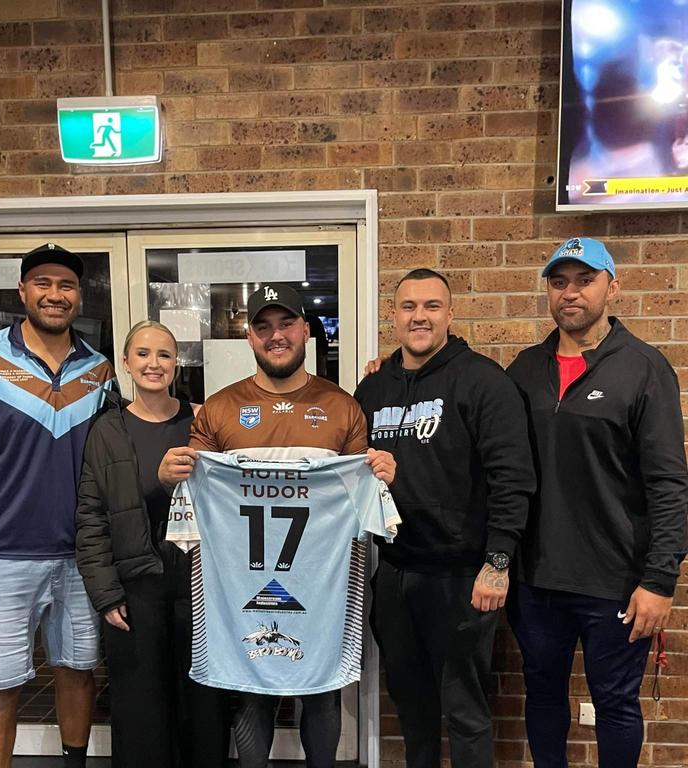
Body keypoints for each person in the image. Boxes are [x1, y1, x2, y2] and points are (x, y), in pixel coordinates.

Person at [158, 282, 396, 768]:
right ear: (249, 337)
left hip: (324, 580)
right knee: (251, 694)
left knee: (323, 691)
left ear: (306, 330)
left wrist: (380, 478)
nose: (276, 336)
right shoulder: (221, 408)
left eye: (286, 323)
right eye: (263, 327)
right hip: (243, 579)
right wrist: (169, 479)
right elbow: (197, 496)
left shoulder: (342, 406)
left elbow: (357, 497)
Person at [506, 237, 688, 768]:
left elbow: (669, 484)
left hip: (616, 581)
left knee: (614, 703)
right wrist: (396, 371)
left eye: (584, 280)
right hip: (536, 579)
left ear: (612, 286)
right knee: (541, 696)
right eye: (559, 282)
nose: (570, 293)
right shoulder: (524, 369)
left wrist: (659, 581)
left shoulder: (643, 368)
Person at [0, 243, 115, 768]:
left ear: (79, 296)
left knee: (78, 672)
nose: (55, 295)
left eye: (66, 286)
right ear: (23, 291)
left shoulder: (100, 371)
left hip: (82, 557)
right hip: (0, 556)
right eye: (43, 284)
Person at [355, 268, 535, 768]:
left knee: (466, 712)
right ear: (393, 316)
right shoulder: (371, 390)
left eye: (432, 306)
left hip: (462, 577)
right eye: (409, 306)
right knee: (411, 710)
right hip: (393, 573)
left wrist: (497, 561)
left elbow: (513, 479)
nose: (420, 316)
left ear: (450, 314)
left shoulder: (482, 381)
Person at [75, 320, 228, 768]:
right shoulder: (107, 430)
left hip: (199, 585)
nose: (153, 364)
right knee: (140, 708)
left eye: (163, 354)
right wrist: (105, 595)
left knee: (203, 704)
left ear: (176, 363)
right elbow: (90, 515)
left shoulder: (201, 421)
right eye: (142, 354)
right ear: (125, 363)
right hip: (136, 586)